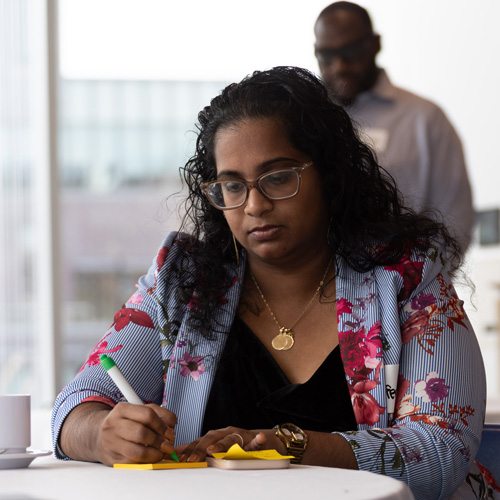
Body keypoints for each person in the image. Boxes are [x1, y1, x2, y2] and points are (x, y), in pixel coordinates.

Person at [52, 67, 498, 500]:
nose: (255, 205)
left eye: (278, 177)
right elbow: (75, 408)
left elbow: (440, 452)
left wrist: (285, 446)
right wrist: (100, 435)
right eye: (232, 186)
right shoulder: (184, 282)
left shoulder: (404, 275)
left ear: (328, 173)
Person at [314, 1, 474, 255]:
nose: (340, 65)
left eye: (351, 51)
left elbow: (455, 223)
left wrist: (414, 287)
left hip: (409, 287)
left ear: (375, 44)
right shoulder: (310, 119)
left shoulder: (425, 119)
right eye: (327, 55)